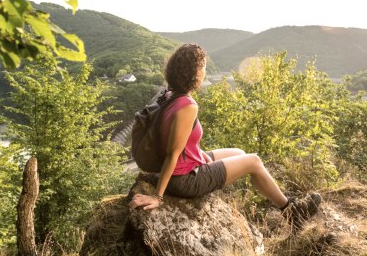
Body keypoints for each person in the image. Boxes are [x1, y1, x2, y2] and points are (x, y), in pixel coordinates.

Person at [129, 43, 321, 229]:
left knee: (239, 152)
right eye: (202, 68)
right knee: (253, 161)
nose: (204, 72)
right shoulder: (187, 105)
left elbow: (180, 143)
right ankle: (291, 211)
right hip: (184, 180)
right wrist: (157, 197)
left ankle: (281, 199)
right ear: (194, 72)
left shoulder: (168, 95)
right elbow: (173, 153)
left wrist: (202, 158)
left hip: (184, 166)